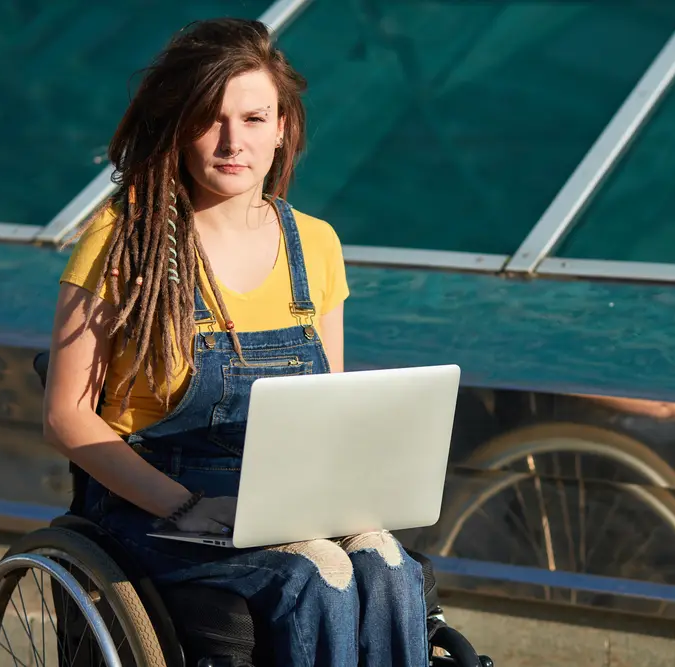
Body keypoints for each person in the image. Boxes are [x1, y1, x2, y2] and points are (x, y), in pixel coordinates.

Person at [42, 18, 428, 667]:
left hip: (282, 493)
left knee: (386, 561)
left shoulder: (316, 244)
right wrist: (188, 505)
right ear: (179, 124)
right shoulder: (121, 241)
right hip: (154, 502)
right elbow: (65, 416)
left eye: (253, 118)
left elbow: (324, 406)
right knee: (315, 572)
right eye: (210, 117)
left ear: (283, 127)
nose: (232, 141)